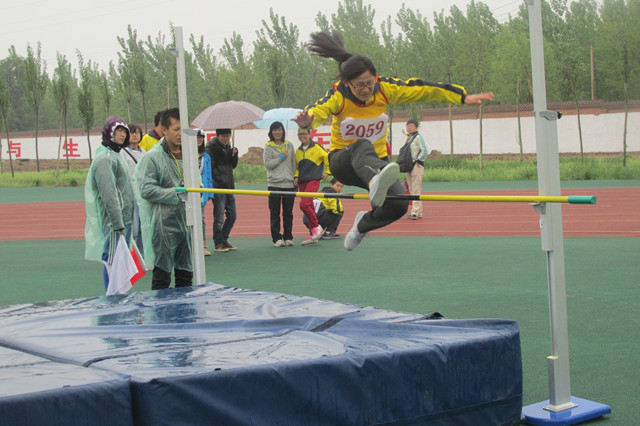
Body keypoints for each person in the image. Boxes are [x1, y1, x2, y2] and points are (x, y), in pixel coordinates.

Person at [293, 31, 493, 250]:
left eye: (369, 83)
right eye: (359, 85)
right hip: (343, 161)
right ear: (347, 83)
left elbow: (421, 89)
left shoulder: (385, 89)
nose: (366, 89)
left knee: (399, 204)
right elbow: (317, 111)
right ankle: (375, 181)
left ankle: (361, 226)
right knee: (361, 143)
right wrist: (307, 122)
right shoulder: (338, 95)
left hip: (376, 163)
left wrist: (460, 96)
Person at [135, 108, 192, 290]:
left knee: (185, 276)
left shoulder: (190, 156)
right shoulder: (152, 158)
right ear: (164, 129)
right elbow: (147, 190)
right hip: (164, 226)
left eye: (183, 129)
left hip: (187, 224)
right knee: (162, 278)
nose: (180, 134)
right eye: (176, 129)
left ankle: (185, 315)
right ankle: (161, 317)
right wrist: (174, 193)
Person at [84, 115, 134, 291]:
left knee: (121, 262)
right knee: (113, 261)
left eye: (124, 131)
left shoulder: (116, 155)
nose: (122, 135)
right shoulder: (105, 158)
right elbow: (109, 194)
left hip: (123, 220)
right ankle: (113, 298)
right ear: (109, 133)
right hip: (114, 222)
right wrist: (118, 222)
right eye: (118, 131)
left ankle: (118, 295)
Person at [263, 121, 296, 247]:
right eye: (275, 130)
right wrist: (281, 157)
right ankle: (276, 238)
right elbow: (268, 165)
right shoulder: (268, 147)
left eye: (280, 129)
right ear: (271, 132)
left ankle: (288, 236)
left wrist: (295, 178)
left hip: (288, 184)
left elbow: (293, 163)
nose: (277, 132)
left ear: (283, 131)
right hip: (274, 184)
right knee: (275, 213)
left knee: (288, 213)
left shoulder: (289, 145)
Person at [294, 128, 329, 246]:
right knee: (309, 206)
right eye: (300, 134)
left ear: (309, 134)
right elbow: (298, 167)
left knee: (303, 204)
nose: (302, 136)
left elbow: (327, 157)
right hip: (302, 182)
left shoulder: (317, 147)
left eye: (304, 133)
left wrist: (328, 171)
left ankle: (315, 226)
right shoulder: (298, 151)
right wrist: (296, 177)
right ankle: (313, 236)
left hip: (313, 180)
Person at [205, 128, 239, 253]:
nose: (226, 138)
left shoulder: (229, 147)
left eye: (228, 136)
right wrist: (217, 180)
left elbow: (232, 165)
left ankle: (224, 238)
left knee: (232, 215)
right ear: (218, 136)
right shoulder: (210, 149)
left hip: (229, 186)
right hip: (218, 186)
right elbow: (211, 167)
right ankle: (218, 242)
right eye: (224, 136)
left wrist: (234, 155)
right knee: (219, 217)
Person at [120, 124, 146, 254]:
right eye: (132, 132)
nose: (135, 135)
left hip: (143, 197)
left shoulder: (144, 153)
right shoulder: (122, 153)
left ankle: (141, 259)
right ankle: (131, 259)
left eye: (137, 132)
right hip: (130, 197)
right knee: (134, 231)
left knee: (142, 230)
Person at [404, 119, 428, 220]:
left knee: (416, 188)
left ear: (416, 128)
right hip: (408, 166)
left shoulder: (418, 137)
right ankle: (418, 212)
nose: (409, 127)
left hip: (416, 166)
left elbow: (425, 150)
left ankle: (415, 212)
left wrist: (418, 160)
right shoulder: (408, 139)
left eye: (411, 125)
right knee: (412, 188)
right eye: (408, 125)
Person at [196, 129, 214, 256]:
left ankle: (203, 245)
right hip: (189, 191)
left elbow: (208, 175)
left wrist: (209, 192)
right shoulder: (185, 154)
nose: (199, 140)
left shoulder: (206, 156)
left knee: (201, 219)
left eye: (201, 138)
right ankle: (191, 246)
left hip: (201, 192)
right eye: (197, 137)